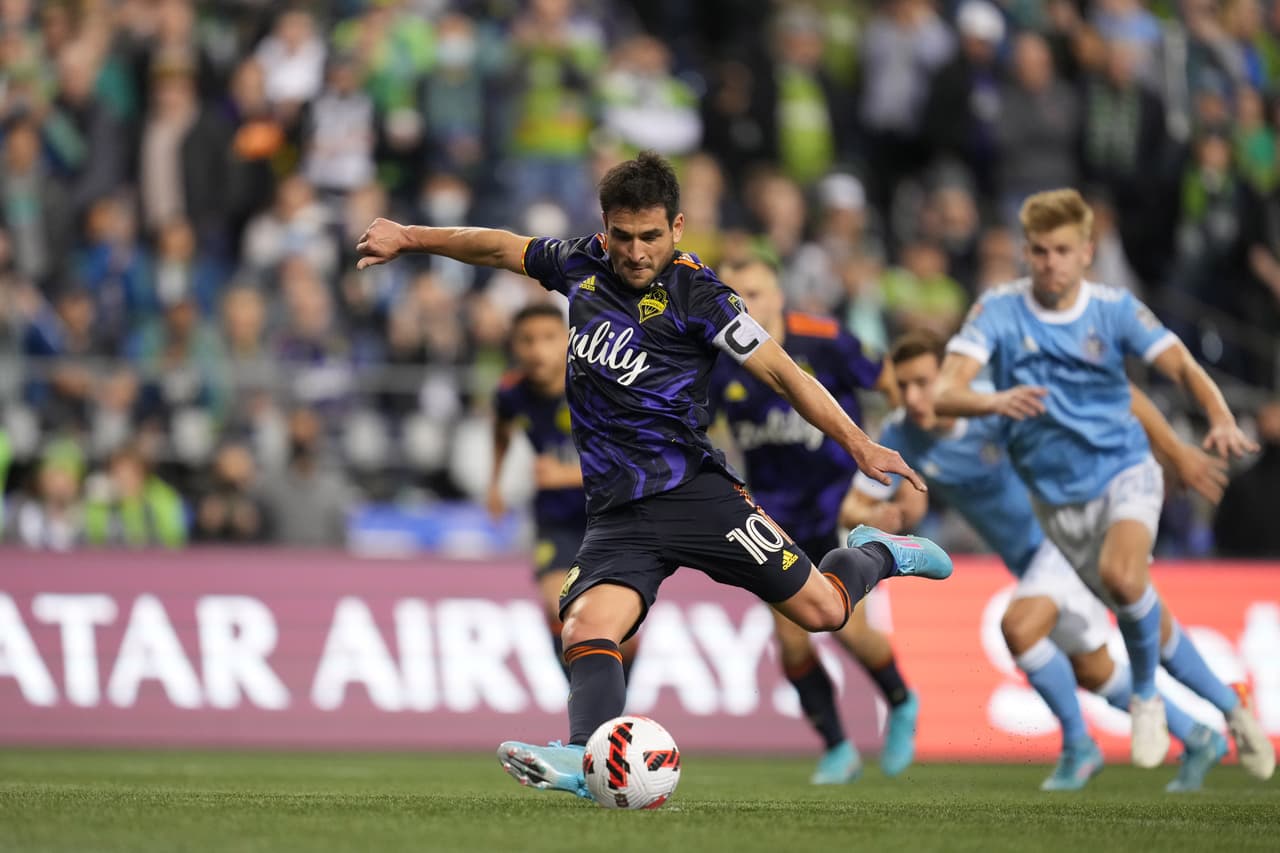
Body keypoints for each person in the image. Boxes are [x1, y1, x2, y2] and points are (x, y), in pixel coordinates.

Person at [356, 150, 953, 799]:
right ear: (605, 226)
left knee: (824, 610)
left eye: (651, 236)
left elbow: (784, 372)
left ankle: (876, 554)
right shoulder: (580, 263)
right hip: (617, 511)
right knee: (585, 627)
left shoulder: (704, 296)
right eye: (623, 235)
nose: (636, 252)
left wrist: (861, 444)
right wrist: (411, 237)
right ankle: (585, 755)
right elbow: (501, 247)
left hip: (695, 494)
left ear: (677, 227)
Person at [934, 188, 1273, 780]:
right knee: (1146, 613)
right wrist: (995, 398)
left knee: (1123, 577)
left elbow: (1180, 369)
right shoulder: (998, 310)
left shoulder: (1115, 311)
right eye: (1039, 251)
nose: (1050, 263)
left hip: (1125, 471)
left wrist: (1217, 418)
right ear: (1026, 251)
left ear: (1087, 251)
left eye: (1063, 250)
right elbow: (946, 390)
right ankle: (1229, 705)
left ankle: (1144, 699)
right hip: (1058, 508)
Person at [846, 330, 1242, 792]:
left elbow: (1102, 396)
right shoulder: (899, 435)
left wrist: (1166, 451)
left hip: (1069, 534)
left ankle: (1081, 745)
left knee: (1020, 626)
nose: (914, 397)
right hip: (1029, 560)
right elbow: (854, 506)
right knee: (1093, 668)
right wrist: (882, 513)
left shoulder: (998, 403)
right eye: (904, 385)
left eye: (924, 382)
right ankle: (1199, 736)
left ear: (951, 377)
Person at [709, 257, 919, 784]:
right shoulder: (719, 360)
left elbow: (887, 378)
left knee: (849, 631)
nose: (746, 306)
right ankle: (838, 747)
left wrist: (900, 443)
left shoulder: (823, 339)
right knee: (792, 642)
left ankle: (901, 700)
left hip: (833, 503)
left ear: (780, 294)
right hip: (773, 515)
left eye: (755, 292)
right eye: (737, 295)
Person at [487, 302, 637, 678]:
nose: (537, 350)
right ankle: (581, 704)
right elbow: (501, 431)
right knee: (558, 606)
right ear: (515, 346)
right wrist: (495, 482)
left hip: (611, 515)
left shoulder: (598, 385)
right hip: (556, 517)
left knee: (624, 634)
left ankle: (613, 710)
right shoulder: (510, 392)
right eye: (527, 340)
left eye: (548, 338)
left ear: (568, 341)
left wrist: (565, 474)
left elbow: (632, 463)